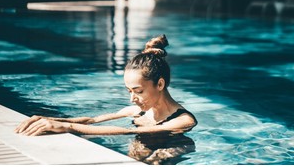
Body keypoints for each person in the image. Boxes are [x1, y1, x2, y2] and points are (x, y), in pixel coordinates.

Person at [15, 34, 197, 138]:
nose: (132, 98)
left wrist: (69, 128)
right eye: (129, 91)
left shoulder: (183, 120)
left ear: (160, 84)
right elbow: (92, 120)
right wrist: (50, 120)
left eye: (138, 91)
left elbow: (125, 131)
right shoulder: (137, 111)